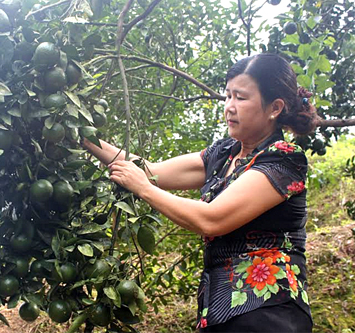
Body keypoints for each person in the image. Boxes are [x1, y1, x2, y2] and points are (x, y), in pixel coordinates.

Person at [83, 53, 317, 332]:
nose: (229, 107)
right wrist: (81, 134)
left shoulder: (284, 159)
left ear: (275, 107)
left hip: (269, 315)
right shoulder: (223, 155)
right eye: (227, 96)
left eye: (240, 98)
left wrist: (142, 188)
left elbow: (212, 219)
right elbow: (149, 171)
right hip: (219, 314)